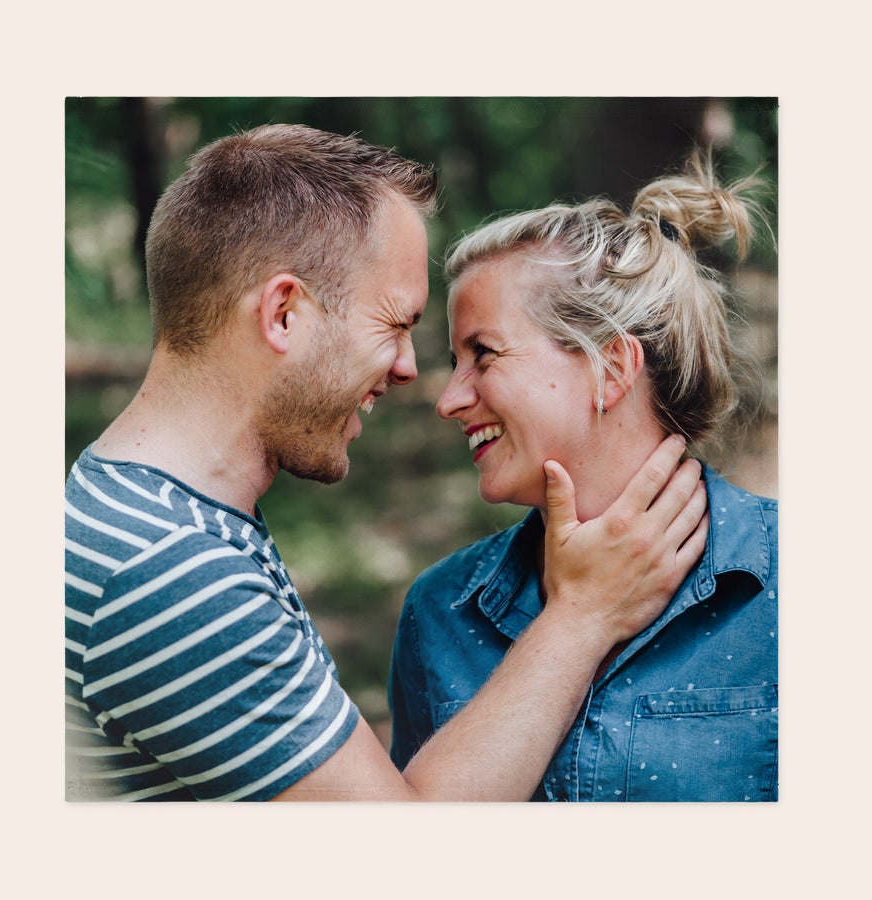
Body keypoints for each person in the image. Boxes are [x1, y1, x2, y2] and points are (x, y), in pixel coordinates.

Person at [65, 124, 708, 802]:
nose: (409, 370)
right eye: (395, 324)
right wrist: (583, 615)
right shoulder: (172, 572)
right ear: (283, 314)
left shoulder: (131, 513)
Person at [388, 151, 778, 802]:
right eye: (455, 362)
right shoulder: (438, 613)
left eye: (483, 354)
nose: (449, 400)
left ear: (612, 368)